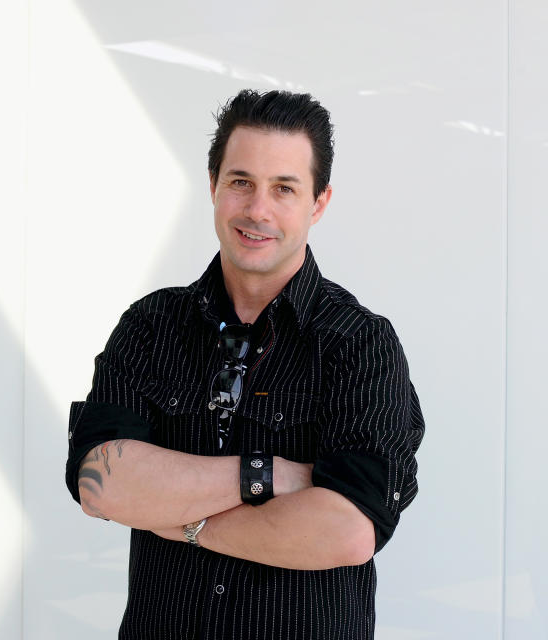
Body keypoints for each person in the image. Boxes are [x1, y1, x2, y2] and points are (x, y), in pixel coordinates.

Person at [65, 89, 424, 640]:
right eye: (240, 182)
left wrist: (180, 519)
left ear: (319, 202)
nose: (258, 210)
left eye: (284, 188)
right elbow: (100, 485)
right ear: (212, 186)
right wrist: (269, 474)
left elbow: (347, 530)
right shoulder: (151, 325)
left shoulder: (360, 344)